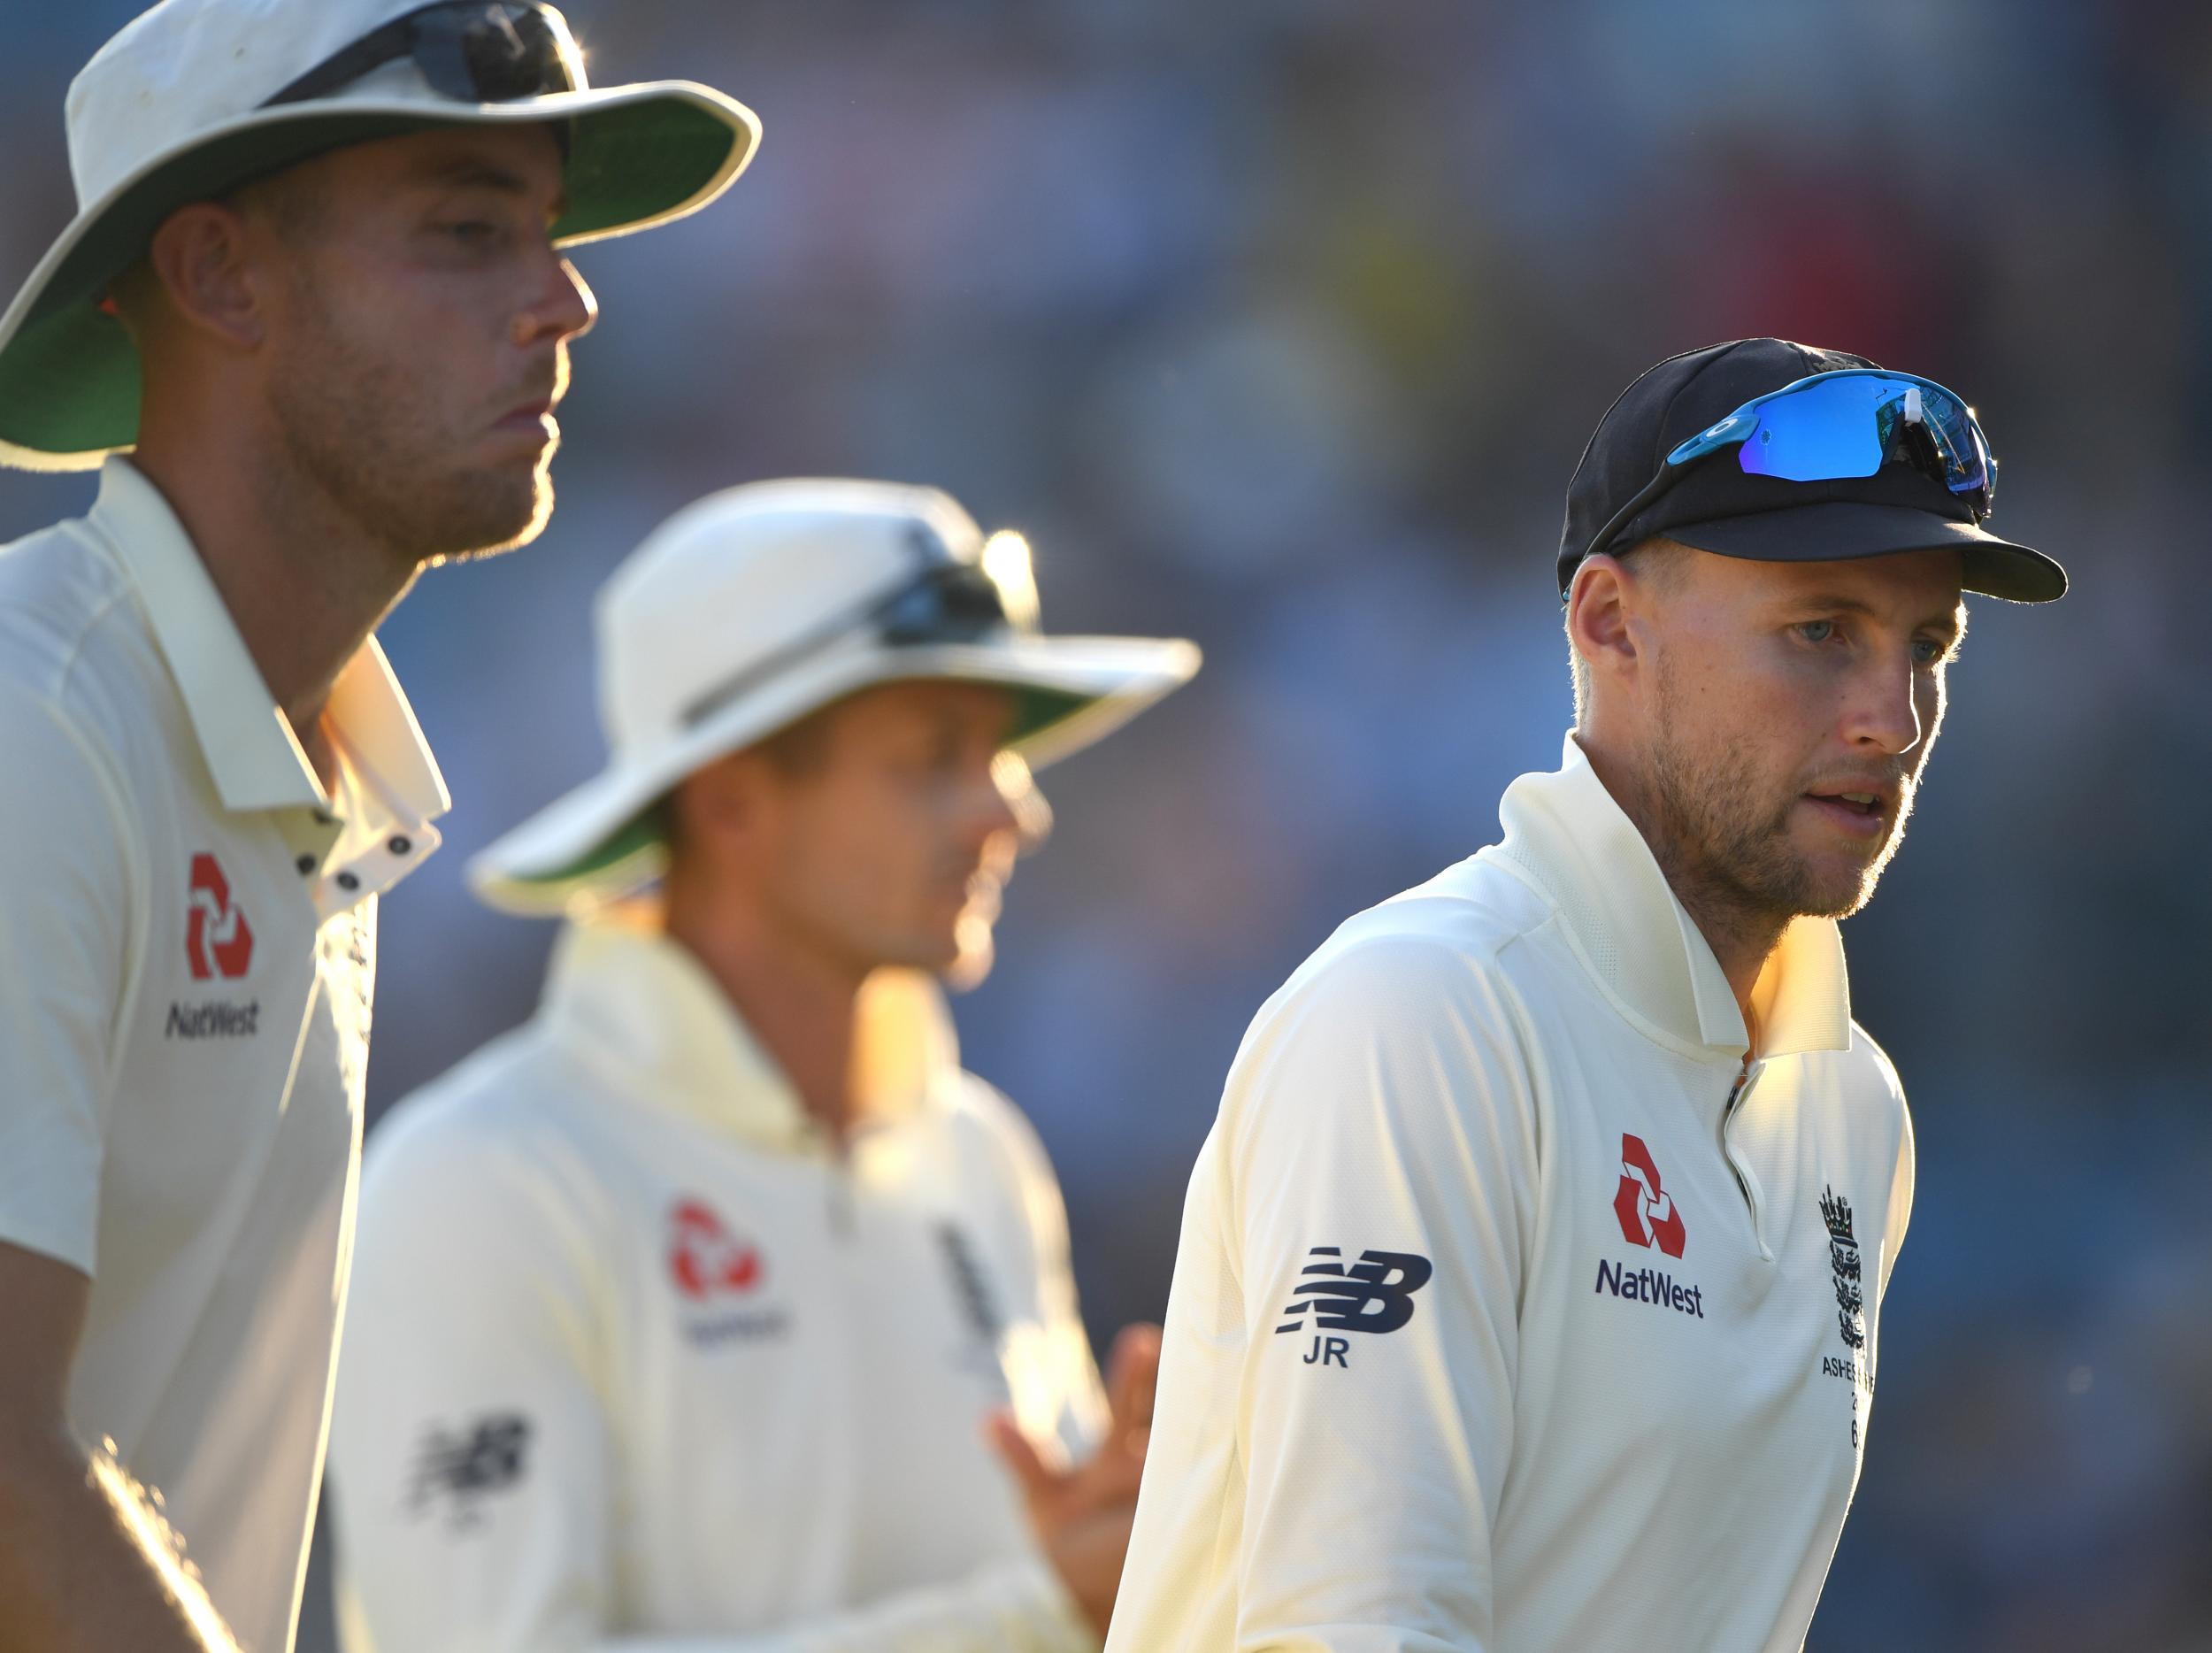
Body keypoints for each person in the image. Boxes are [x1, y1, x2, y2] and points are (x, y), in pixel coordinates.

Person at [1105, 337, 2070, 1652]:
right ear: (1609, 623)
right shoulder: (1425, 1015)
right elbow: (1356, 1630)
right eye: (1821, 634)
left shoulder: (1853, 1103)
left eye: (1926, 647)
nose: (1891, 716)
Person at [0, 4, 759, 1649]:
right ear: (218, 279)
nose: (565, 302)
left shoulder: (287, 757)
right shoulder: (33, 722)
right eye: (469, 234)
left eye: (543, 237)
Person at [324, 478, 1202, 1652]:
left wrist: (1132, 1596)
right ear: (732, 803)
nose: (1010, 812)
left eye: (996, 753)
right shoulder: (483, 1184)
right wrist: (1039, 1618)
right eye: (935, 758)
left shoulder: (980, 1155)